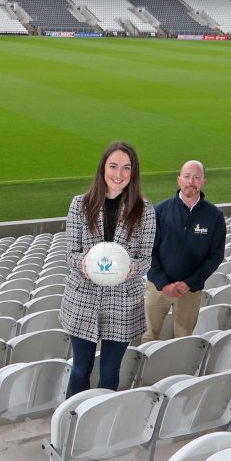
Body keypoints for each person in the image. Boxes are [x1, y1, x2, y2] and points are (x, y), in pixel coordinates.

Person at [60, 141, 156, 397]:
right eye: (113, 166)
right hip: (83, 299)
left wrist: (130, 268)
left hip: (123, 301)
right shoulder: (80, 204)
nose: (119, 174)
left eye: (126, 168)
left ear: (133, 173)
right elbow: (69, 253)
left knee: (110, 370)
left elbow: (146, 257)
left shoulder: (145, 210)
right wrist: (83, 263)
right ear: (103, 168)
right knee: (80, 368)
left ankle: (99, 424)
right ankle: (73, 422)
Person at [145, 160, 226, 341]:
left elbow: (216, 256)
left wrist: (190, 283)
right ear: (179, 180)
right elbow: (148, 250)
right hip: (158, 288)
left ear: (203, 181)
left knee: (183, 339)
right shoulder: (159, 210)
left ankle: (178, 370)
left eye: (196, 177)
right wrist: (163, 283)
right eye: (187, 176)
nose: (191, 181)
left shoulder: (214, 215)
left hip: (190, 291)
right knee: (149, 335)